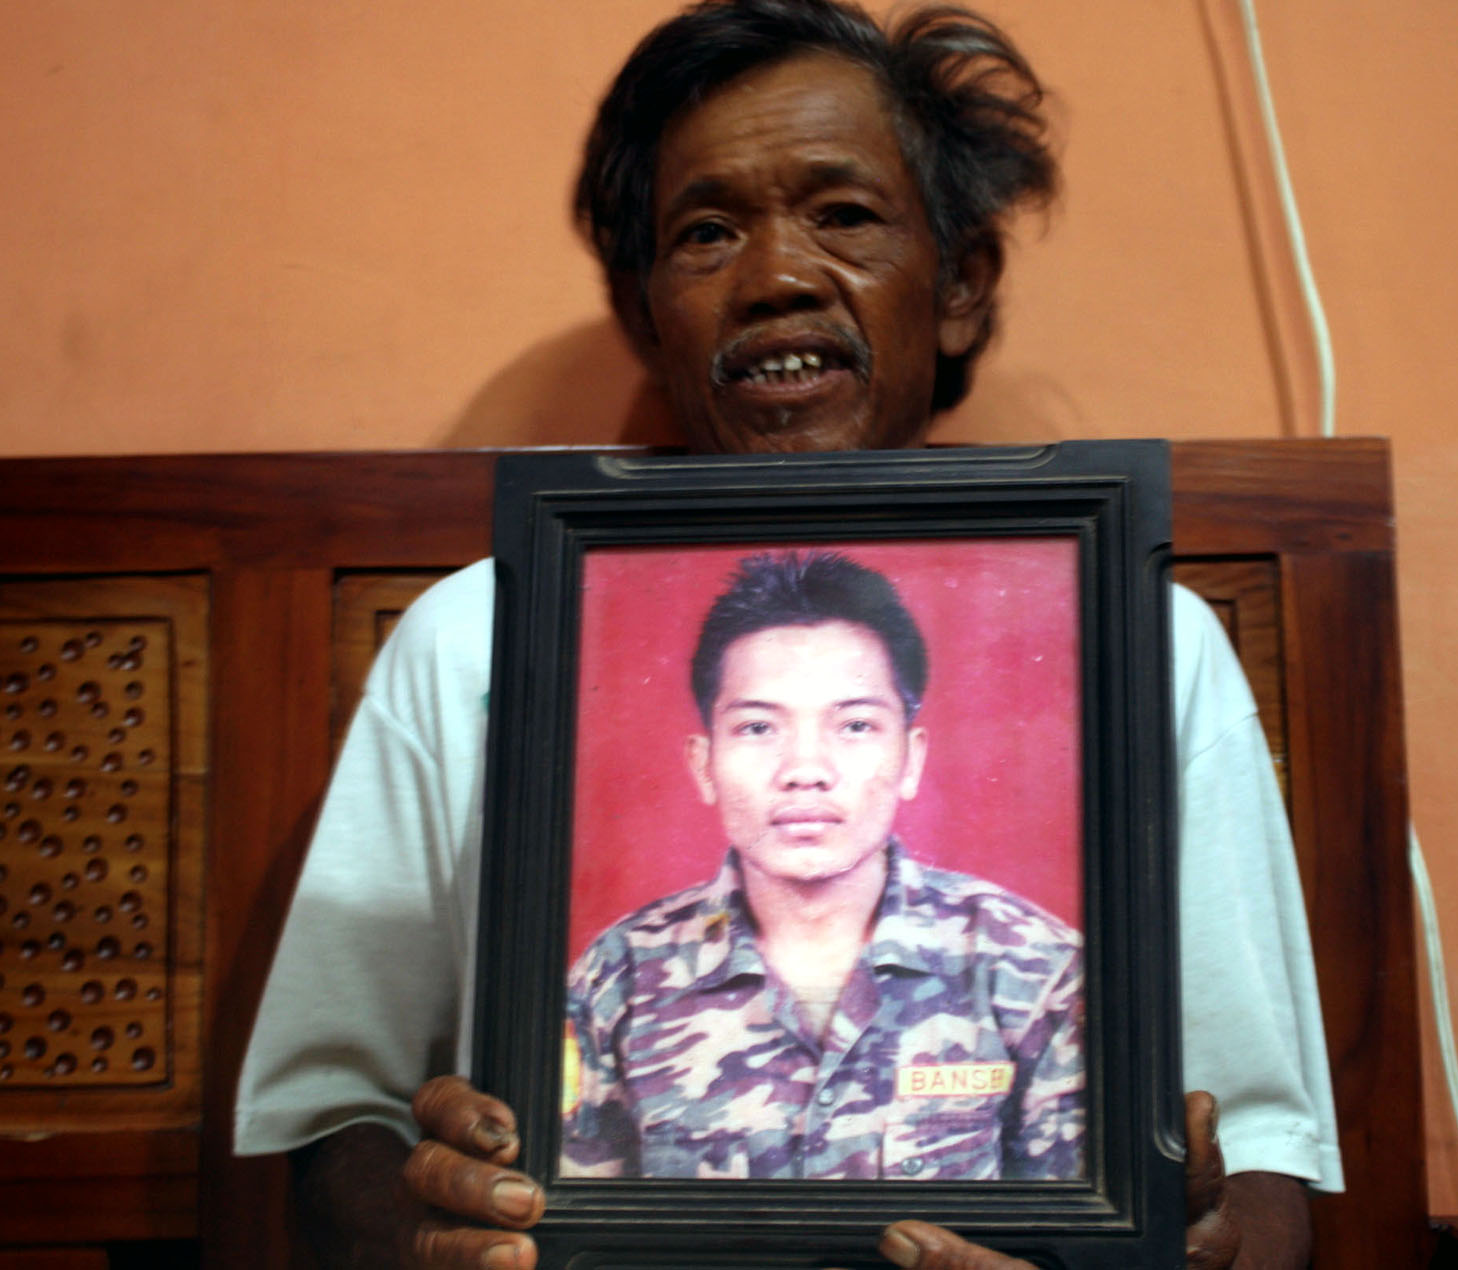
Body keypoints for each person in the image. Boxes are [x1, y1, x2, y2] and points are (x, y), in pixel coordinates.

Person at [233, 0, 1340, 1266]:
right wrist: (431, 1213)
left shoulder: (1146, 644)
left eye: (845, 215)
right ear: (649, 311)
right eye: (706, 232)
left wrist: (1178, 1245)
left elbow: (1257, 1162)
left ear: (961, 285)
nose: (775, 277)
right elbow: (338, 1123)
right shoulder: (472, 640)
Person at [563, 550, 1084, 1181]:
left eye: (856, 725)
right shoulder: (617, 976)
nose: (805, 770)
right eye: (758, 728)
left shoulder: (1034, 971)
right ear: (704, 764)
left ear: (912, 758)